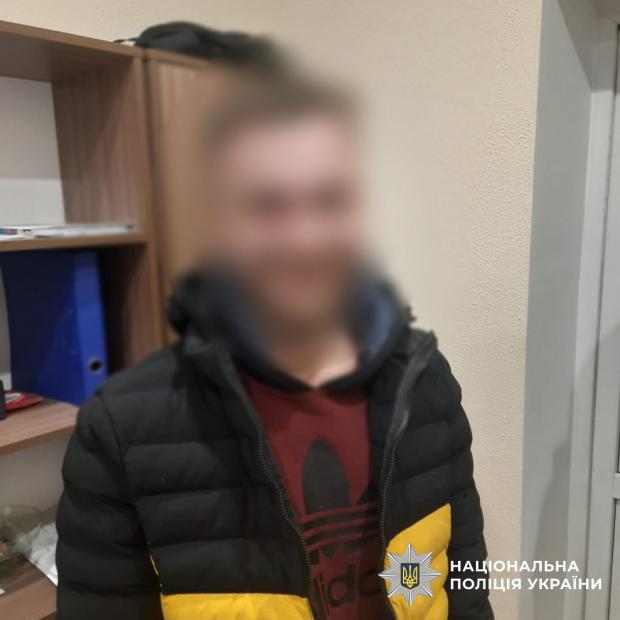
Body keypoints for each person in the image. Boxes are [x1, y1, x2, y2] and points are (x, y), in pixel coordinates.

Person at [56, 74, 493, 620]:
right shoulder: (119, 432)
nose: (305, 238)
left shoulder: (426, 385)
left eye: (330, 200)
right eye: (266, 205)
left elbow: (465, 583)